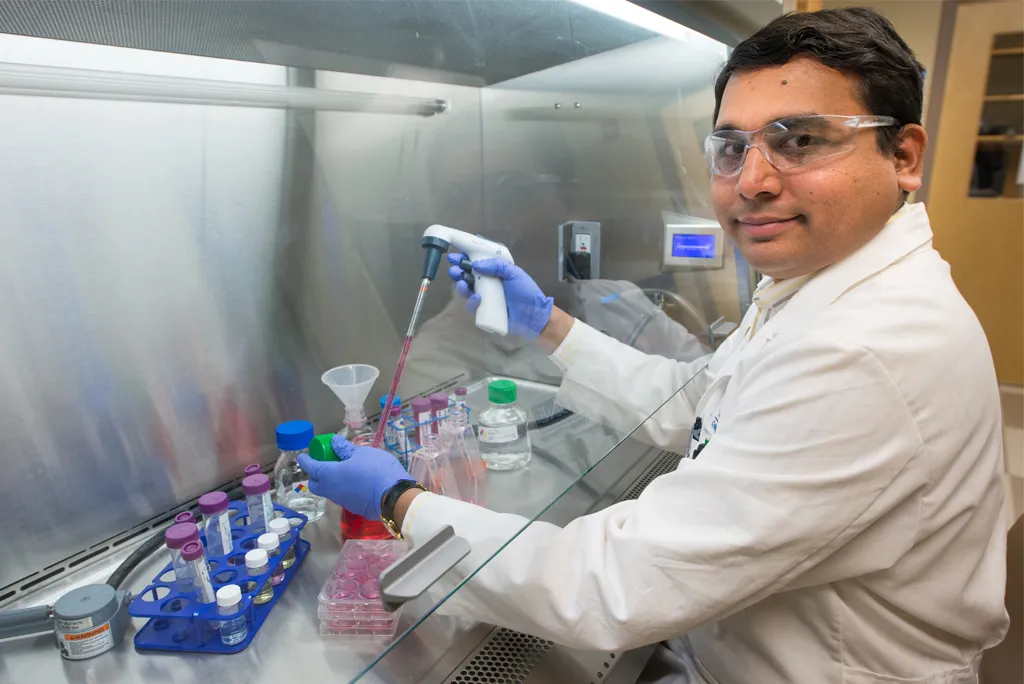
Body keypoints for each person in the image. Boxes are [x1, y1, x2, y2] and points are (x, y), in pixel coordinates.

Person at [299, 8, 1010, 683]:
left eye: (801, 140)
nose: (753, 181)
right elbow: (699, 404)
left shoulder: (865, 349)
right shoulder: (824, 286)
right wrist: (544, 323)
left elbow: (609, 587)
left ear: (905, 155)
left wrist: (397, 500)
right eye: (732, 147)